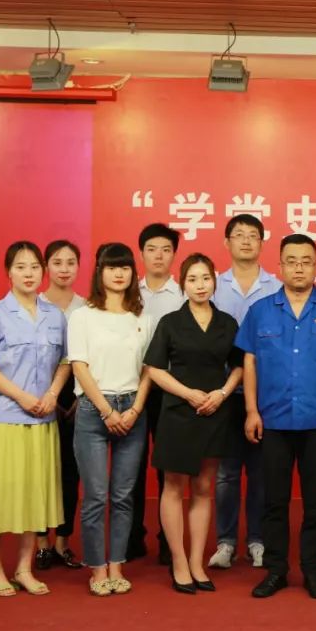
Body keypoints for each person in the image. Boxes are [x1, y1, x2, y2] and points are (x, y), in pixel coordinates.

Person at [238, 234, 316, 600]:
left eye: (306, 261)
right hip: (272, 421)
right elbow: (249, 362)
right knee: (273, 501)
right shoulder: (260, 310)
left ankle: (312, 571)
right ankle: (276, 570)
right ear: (280, 266)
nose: (299, 268)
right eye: (291, 261)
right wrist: (251, 410)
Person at [0, 241, 70, 596]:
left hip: (43, 419)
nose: (29, 274)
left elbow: (65, 361)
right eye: (20, 267)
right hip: (5, 417)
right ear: (8, 272)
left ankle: (24, 568)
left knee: (33, 497)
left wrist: (52, 394)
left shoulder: (54, 315)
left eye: (34, 267)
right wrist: (22, 396)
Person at [144, 253, 244, 594]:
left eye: (205, 278)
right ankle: (178, 562)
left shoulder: (227, 323)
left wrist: (222, 393)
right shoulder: (171, 322)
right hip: (178, 412)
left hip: (215, 412)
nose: (200, 285)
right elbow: (155, 369)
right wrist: (188, 394)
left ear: (214, 281)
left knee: (203, 489)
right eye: (192, 279)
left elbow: (240, 365)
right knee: (173, 487)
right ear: (182, 284)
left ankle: (197, 561)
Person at [68, 242, 153, 596]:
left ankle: (117, 564)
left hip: (133, 409)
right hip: (93, 409)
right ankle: (97, 568)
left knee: (123, 496)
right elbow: (79, 366)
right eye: (111, 267)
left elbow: (149, 369)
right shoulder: (83, 316)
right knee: (96, 495)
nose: (119, 274)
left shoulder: (142, 317)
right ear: (99, 272)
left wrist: (134, 410)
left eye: (125, 267)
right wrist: (107, 410)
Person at [208, 214, 282, 571]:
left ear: (262, 243)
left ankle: (257, 540)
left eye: (253, 235)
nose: (246, 241)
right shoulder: (213, 286)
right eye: (239, 235)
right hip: (221, 393)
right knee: (226, 474)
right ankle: (225, 542)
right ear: (227, 242)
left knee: (261, 473)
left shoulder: (276, 287)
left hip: (265, 393)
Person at [130, 223, 185, 565]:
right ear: (141, 253)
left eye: (166, 249)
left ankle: (169, 540)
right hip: (132, 388)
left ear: (174, 254)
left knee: (168, 468)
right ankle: (131, 537)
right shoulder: (127, 293)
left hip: (169, 390)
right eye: (152, 249)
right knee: (132, 467)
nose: (159, 256)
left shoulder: (182, 295)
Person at [34, 239, 86, 571]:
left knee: (70, 470)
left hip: (78, 396)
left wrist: (82, 396)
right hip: (38, 398)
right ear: (45, 267)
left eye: (70, 262)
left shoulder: (87, 307)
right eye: (57, 262)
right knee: (41, 472)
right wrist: (43, 397)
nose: (64, 269)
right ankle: (41, 543)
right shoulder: (34, 304)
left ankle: (63, 542)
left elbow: (91, 356)